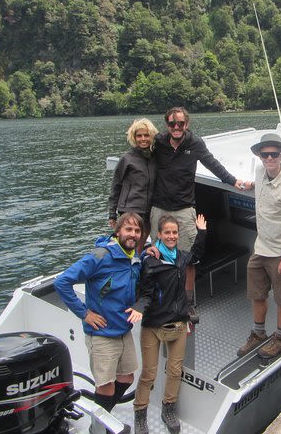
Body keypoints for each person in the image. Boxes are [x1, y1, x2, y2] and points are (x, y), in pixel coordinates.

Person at [151, 107, 244, 323]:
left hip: (184, 208)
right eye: (172, 124)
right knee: (160, 256)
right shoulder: (158, 142)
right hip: (159, 207)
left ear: (187, 124)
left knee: (188, 259)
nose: (177, 128)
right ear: (167, 125)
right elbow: (140, 157)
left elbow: (212, 164)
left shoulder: (195, 143)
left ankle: (188, 303)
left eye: (181, 124)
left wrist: (232, 180)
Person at [53, 213, 144, 433]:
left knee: (127, 377)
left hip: (123, 330)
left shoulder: (134, 258)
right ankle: (98, 428)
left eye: (137, 231)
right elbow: (62, 282)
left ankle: (103, 417)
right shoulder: (100, 256)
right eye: (128, 230)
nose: (133, 234)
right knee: (106, 386)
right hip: (102, 333)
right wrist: (85, 314)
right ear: (118, 232)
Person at [133, 214, 207, 434]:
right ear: (159, 235)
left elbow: (196, 255)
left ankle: (169, 408)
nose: (172, 236)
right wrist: (138, 308)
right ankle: (140, 414)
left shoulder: (182, 258)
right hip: (153, 325)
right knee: (149, 373)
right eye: (167, 232)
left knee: (175, 371)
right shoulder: (150, 261)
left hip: (178, 324)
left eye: (175, 232)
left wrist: (202, 232)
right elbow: (145, 293)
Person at [237, 133, 281, 359]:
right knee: (257, 294)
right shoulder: (260, 173)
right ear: (259, 156)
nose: (269, 158)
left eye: (274, 154)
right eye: (265, 154)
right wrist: (251, 185)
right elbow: (261, 183)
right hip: (260, 248)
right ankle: (258, 333)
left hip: (280, 253)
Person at [108, 118, 158, 250]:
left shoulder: (155, 157)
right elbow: (116, 186)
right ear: (134, 137)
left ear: (152, 136)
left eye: (146, 135)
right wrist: (112, 213)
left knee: (140, 246)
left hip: (149, 211)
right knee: (127, 246)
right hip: (130, 209)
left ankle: (136, 268)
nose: (143, 139)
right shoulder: (127, 158)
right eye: (139, 135)